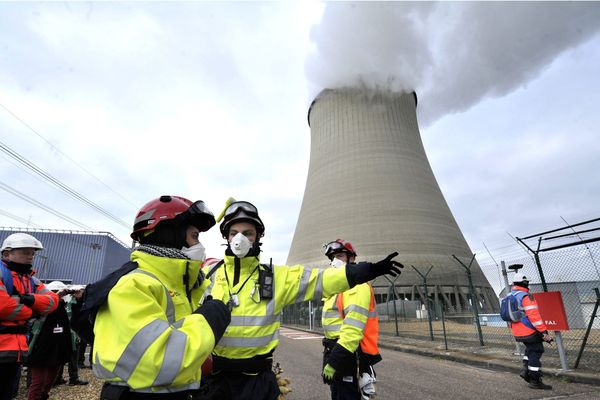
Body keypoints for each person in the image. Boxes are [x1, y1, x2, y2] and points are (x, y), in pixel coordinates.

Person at [203, 200, 402, 400]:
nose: (240, 239)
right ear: (226, 237)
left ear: (258, 237)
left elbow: (322, 280)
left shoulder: (276, 277)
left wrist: (367, 270)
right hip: (218, 381)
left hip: (258, 383)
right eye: (233, 233)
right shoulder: (209, 276)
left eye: (248, 233)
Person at [92, 195, 231, 399]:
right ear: (169, 235)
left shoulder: (180, 286)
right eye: (194, 236)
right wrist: (209, 321)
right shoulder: (134, 286)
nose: (199, 246)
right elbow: (160, 361)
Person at [0, 233, 59, 400]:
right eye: (25, 252)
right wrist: (33, 311)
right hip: (4, 344)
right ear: (6, 253)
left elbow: (52, 302)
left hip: (17, 349)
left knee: (9, 393)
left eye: (32, 253)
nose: (30, 256)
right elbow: (3, 307)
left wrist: (29, 299)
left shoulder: (31, 280)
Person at [321, 239, 381, 400]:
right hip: (336, 349)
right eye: (332, 257)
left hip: (348, 353)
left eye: (340, 256)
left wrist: (334, 362)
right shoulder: (340, 285)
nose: (335, 261)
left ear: (352, 258)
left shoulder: (357, 285)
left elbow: (353, 329)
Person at [27, 280, 74, 400]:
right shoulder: (40, 306)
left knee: (49, 381)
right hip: (40, 349)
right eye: (52, 292)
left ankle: (43, 396)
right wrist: (55, 298)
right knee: (38, 382)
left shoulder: (64, 308)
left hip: (57, 349)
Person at [509, 272, 553, 390]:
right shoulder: (526, 296)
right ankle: (535, 380)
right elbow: (534, 317)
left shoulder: (510, 295)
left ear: (513, 283)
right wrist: (544, 332)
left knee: (530, 349)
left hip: (517, 331)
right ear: (526, 283)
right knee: (536, 351)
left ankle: (525, 371)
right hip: (529, 330)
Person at [52, 283, 88, 387]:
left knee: (67, 356)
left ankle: (63, 378)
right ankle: (71, 378)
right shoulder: (69, 302)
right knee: (70, 357)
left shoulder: (66, 302)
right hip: (69, 333)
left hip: (67, 333)